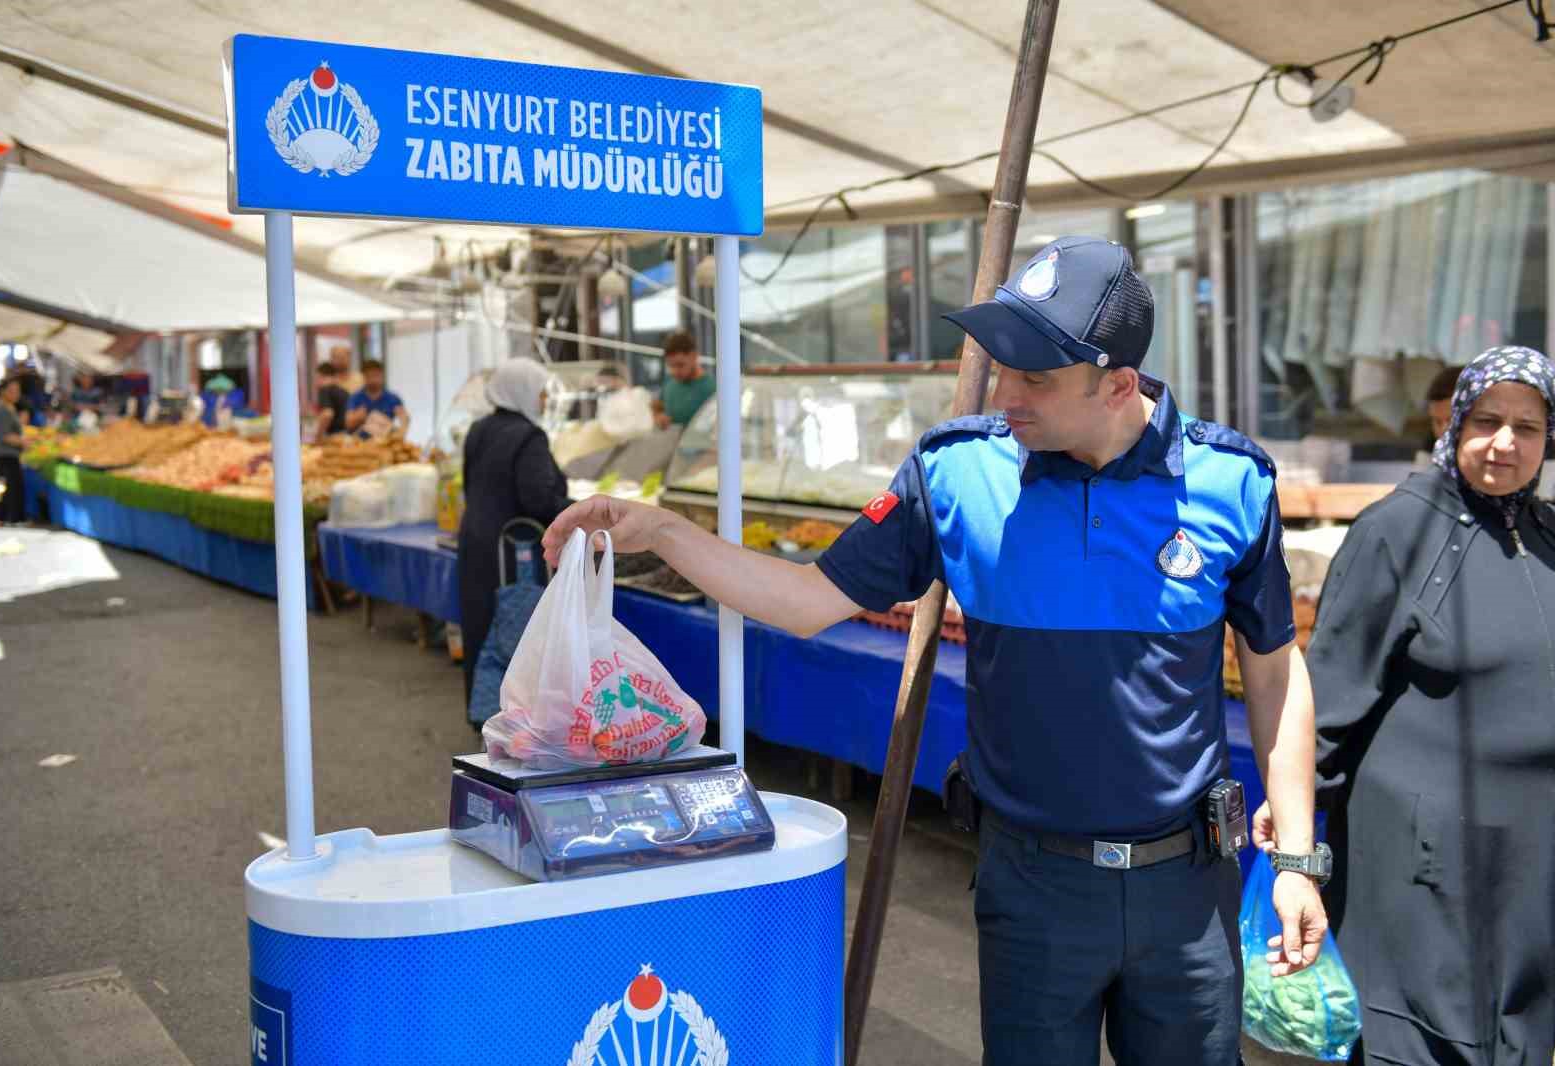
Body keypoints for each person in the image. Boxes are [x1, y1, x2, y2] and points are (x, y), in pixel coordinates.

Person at [543, 237, 1328, 1066]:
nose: (1006, 393)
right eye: (1000, 366)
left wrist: (1297, 860)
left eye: (1036, 378)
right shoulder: (957, 472)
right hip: (1033, 892)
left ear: (1119, 385)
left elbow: (1276, 669)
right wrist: (662, 531)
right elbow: (809, 602)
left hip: (1188, 894)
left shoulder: (1231, 481)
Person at [1300, 346, 1555, 1065]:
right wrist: (1294, 862)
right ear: (1454, 423)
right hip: (1425, 885)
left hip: (1537, 890)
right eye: (1487, 420)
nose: (1505, 443)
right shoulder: (1399, 531)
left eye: (1528, 427)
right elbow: (1322, 715)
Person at [458, 359, 571, 704]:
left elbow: (470, 483)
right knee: (519, 631)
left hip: (476, 544)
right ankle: (519, 717)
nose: (542, 401)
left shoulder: (478, 429)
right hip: (513, 554)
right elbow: (537, 499)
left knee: (482, 628)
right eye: (539, 393)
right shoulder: (529, 436)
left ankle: (484, 709)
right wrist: (579, 509)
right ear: (520, 391)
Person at [1426, 362, 1555, 532]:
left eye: (1450, 420)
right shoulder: (1431, 448)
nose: (1445, 430)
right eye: (1437, 421)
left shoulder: (1540, 451)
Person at [650, 330, 714, 430]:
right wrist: (658, 417)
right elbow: (656, 406)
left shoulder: (712, 389)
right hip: (671, 442)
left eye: (680, 365)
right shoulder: (670, 381)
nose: (675, 371)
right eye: (671, 366)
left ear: (694, 356)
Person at [0, 376, 27, 525]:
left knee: (11, 486)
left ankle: (9, 518)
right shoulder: (1, 410)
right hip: (6, 454)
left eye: (18, 391)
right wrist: (23, 441)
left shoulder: (10, 408)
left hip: (12, 453)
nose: (16, 394)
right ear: (3, 392)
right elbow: (4, 435)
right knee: (9, 487)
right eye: (12, 391)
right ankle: (9, 518)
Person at [346, 359, 409, 437]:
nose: (373, 380)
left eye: (376, 375)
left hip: (385, 443)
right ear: (364, 377)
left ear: (382, 375)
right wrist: (357, 418)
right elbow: (348, 424)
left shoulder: (393, 398)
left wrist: (399, 434)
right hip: (359, 444)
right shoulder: (355, 397)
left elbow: (405, 420)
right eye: (369, 376)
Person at [313, 361, 351, 438]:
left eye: (317, 378)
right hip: (348, 435)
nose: (316, 382)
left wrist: (318, 436)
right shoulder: (344, 391)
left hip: (334, 436)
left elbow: (327, 414)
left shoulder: (324, 390)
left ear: (321, 376)